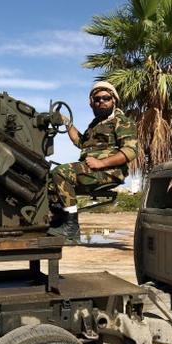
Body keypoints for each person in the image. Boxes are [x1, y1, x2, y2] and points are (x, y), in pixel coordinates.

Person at [47, 81, 139, 241]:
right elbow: (80, 142)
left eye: (106, 98)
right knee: (48, 179)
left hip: (109, 171)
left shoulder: (121, 121)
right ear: (92, 103)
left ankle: (71, 226)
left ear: (114, 100)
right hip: (92, 169)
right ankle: (58, 219)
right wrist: (67, 123)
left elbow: (130, 151)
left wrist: (101, 163)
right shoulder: (95, 125)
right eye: (97, 100)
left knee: (60, 172)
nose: (101, 102)